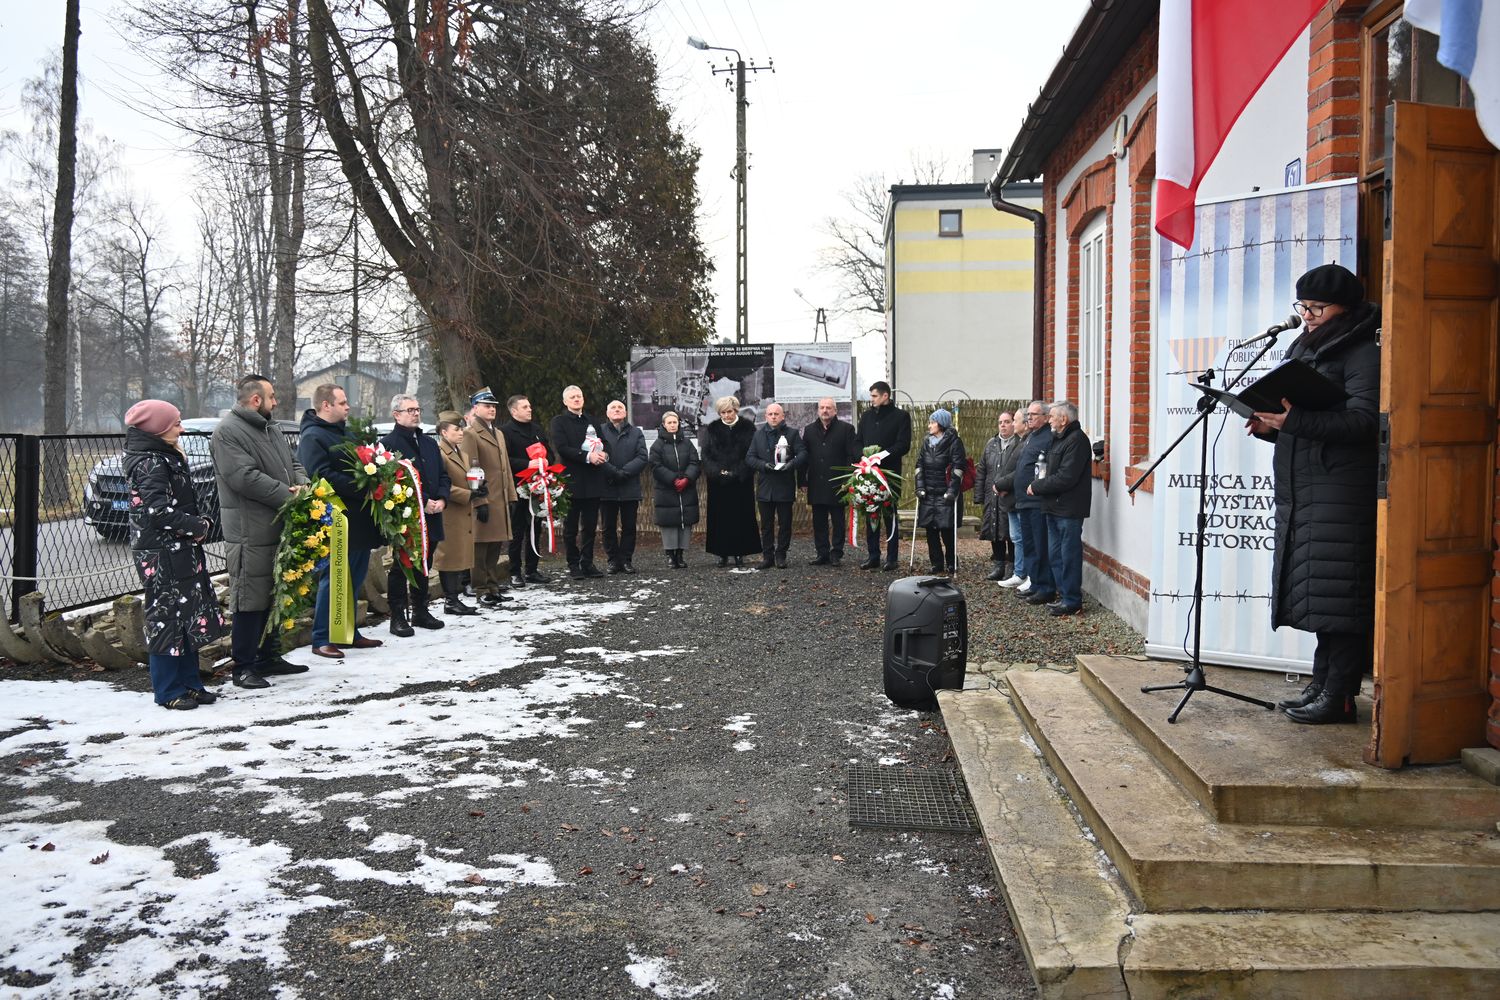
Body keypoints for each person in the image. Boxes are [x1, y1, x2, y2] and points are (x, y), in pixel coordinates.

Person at [1248, 262, 1381, 725]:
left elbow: (1366, 422)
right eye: (1302, 305)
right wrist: (1272, 427)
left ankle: (1339, 695)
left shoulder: (1362, 351)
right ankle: (1322, 683)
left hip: (1342, 492)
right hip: (1308, 491)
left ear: (1345, 307)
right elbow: (1308, 419)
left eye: (1317, 307)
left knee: (1342, 596)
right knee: (1323, 596)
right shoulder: (1307, 346)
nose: (1306, 315)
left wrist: (1296, 421)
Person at [123, 399, 226, 709]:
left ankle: (190, 684)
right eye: (176, 423)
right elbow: (157, 511)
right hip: (162, 555)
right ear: (158, 428)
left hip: (179, 549)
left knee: (188, 615)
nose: (181, 429)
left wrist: (196, 525)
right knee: (166, 618)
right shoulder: (151, 463)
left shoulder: (165, 456)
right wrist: (197, 525)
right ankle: (168, 690)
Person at [210, 374, 309, 690]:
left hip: (278, 526)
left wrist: (303, 486)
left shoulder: (271, 428)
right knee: (249, 598)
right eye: (272, 396)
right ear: (256, 400)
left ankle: (269, 656)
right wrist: (289, 496)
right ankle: (244, 666)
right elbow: (244, 477)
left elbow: (294, 464)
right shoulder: (228, 432)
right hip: (249, 531)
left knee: (274, 594)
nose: (275, 402)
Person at [298, 384, 384, 660]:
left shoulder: (345, 432)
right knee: (335, 578)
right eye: (342, 403)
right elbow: (320, 475)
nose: (348, 407)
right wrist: (362, 487)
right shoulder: (313, 436)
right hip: (336, 517)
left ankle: (347, 633)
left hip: (358, 519)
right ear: (326, 405)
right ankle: (322, 637)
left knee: (354, 578)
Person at [380, 394, 449, 636]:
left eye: (418, 409)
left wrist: (442, 498)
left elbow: (443, 475)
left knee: (425, 561)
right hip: (408, 516)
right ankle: (398, 616)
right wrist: (423, 501)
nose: (416, 413)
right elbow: (389, 483)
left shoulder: (429, 442)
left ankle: (420, 610)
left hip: (433, 513)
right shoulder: (388, 444)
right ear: (396, 415)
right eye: (410, 410)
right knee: (402, 565)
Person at [1027, 401, 1092, 616]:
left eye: (1053, 416)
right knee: (1056, 555)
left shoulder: (1077, 440)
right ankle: (1064, 596)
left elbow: (1066, 477)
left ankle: (1072, 600)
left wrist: (1037, 487)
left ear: (1063, 419)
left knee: (1068, 556)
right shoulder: (1058, 439)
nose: (1050, 420)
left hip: (1068, 509)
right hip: (1053, 506)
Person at [550, 385, 609, 579]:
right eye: (572, 397)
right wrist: (587, 457)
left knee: (590, 527)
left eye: (579, 396)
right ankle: (573, 564)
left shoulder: (592, 420)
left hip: (593, 480)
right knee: (571, 528)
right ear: (565, 401)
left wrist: (604, 454)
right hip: (572, 481)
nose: (577, 399)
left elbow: (604, 442)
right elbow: (562, 448)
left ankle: (587, 563)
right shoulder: (559, 422)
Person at [463, 387, 515, 606]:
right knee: (480, 547)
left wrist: (511, 496)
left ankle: (493, 586)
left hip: (499, 498)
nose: (492, 410)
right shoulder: (470, 433)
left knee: (495, 545)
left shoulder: (498, 433)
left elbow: (505, 468)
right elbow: (471, 469)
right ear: (475, 409)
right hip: (485, 498)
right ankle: (480, 589)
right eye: (486, 406)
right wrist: (479, 501)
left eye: (493, 406)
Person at [855, 381, 911, 570]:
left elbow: (903, 444)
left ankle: (892, 558)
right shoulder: (867, 416)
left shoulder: (901, 416)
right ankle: (873, 555)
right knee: (871, 513)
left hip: (889, 474)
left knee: (889, 515)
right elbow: (858, 441)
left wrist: (881, 456)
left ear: (885, 396)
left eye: (874, 396)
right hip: (869, 472)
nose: (871, 399)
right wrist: (863, 457)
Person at [745, 402, 807, 569]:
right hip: (765, 487)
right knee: (766, 526)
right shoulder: (758, 435)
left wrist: (791, 464)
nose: (773, 417)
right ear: (766, 416)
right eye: (770, 414)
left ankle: (781, 556)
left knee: (785, 524)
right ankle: (768, 557)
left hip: (784, 486)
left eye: (776, 414)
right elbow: (749, 458)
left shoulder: (792, 434)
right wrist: (763, 465)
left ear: (782, 416)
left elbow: (803, 454)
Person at [699, 395, 760, 567]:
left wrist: (737, 472)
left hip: (741, 481)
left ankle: (740, 553)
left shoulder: (748, 428)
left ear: (736, 410)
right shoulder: (712, 428)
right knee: (720, 518)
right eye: (723, 413)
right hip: (718, 482)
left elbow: (752, 454)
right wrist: (718, 472)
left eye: (730, 412)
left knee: (741, 517)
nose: (727, 415)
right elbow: (706, 455)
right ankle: (722, 553)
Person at [499, 393, 550, 588]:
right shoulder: (505, 432)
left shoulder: (536, 429)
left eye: (529, 406)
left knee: (535, 528)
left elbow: (549, 451)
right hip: (518, 487)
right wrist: (527, 464)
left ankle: (532, 569)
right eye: (525, 407)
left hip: (537, 486)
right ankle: (514, 571)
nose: (530, 409)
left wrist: (547, 461)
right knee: (517, 530)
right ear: (514, 411)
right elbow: (505, 460)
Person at [800, 396, 859, 565]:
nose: (825, 410)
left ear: (835, 410)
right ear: (818, 410)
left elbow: (851, 455)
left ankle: (836, 553)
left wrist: (847, 479)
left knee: (838, 521)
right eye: (822, 407)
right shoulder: (809, 430)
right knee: (819, 521)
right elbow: (804, 457)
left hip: (838, 483)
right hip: (816, 482)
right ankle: (822, 553)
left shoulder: (846, 429)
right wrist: (802, 480)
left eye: (828, 408)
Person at [432, 417, 479, 616]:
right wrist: (468, 494)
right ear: (444, 432)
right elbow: (441, 484)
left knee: (459, 555)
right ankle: (450, 600)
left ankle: (454, 599)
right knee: (449, 557)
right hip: (449, 512)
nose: (461, 433)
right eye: (456, 429)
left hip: (462, 512)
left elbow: (465, 477)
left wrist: (477, 486)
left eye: (461, 429)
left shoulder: (462, 453)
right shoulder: (440, 453)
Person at [913, 409, 967, 574]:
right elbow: (919, 466)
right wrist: (920, 487)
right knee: (931, 531)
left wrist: (952, 491)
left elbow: (958, 468)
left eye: (932, 422)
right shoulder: (927, 442)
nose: (929, 426)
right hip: (929, 493)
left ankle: (951, 562)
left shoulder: (954, 442)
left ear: (941, 424)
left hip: (945, 494)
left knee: (947, 530)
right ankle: (936, 563)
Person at [1011, 400, 1054, 601]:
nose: (1029, 418)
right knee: (1029, 545)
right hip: (1023, 500)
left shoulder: (1048, 438)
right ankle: (1035, 582)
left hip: (1036, 501)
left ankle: (1045, 587)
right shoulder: (1031, 436)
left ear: (1045, 417)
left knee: (1039, 546)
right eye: (1028, 415)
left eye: (1034, 415)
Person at [600, 399, 648, 574]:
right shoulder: (599, 431)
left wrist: (624, 473)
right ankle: (613, 561)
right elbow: (596, 455)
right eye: (613, 407)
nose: (617, 409)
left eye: (620, 407)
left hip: (629, 486)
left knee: (629, 527)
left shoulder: (636, 433)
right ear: (607, 413)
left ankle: (626, 560)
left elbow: (642, 457)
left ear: (626, 412)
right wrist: (613, 472)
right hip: (607, 486)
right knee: (608, 527)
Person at [649, 410, 700, 568]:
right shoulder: (657, 445)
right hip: (666, 490)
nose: (672, 425)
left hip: (686, 489)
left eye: (675, 422)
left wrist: (687, 479)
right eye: (669, 422)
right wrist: (673, 479)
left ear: (679, 424)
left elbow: (694, 462)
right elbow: (655, 466)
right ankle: (670, 555)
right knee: (669, 524)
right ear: (664, 425)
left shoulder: (687, 443)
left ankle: (680, 554)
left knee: (685, 523)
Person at [974, 410, 1021, 582]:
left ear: (1013, 424)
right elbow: (982, 470)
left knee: (1011, 531)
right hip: (991, 494)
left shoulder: (1019, 444)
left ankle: (1012, 566)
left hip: (1009, 494)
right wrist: (979, 495)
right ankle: (998, 565)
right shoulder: (991, 444)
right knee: (994, 529)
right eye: (1000, 422)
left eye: (1007, 422)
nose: (1003, 425)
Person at [995, 408, 1032, 588]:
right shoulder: (1022, 442)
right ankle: (1020, 572)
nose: (1012, 424)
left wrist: (1002, 484)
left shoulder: (1027, 442)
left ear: (1025, 423)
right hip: (1012, 497)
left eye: (1014, 421)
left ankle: (1028, 574)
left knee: (1025, 538)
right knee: (1017, 538)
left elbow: (1021, 471)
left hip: (1020, 496)